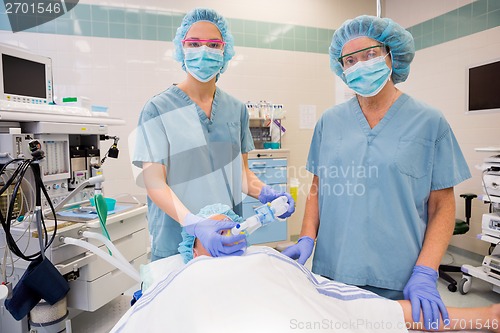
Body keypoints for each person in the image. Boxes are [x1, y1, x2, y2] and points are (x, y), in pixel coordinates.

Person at [281, 14, 471, 330]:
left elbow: (442, 206)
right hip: (334, 270)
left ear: (390, 55)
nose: (359, 65)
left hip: (400, 275)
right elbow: (318, 187)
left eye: (369, 55)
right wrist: (306, 237)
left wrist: (426, 270)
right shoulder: (330, 122)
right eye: (350, 60)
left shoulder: (429, 121)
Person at [112, 205, 500, 333]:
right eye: (216, 228)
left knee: (360, 311)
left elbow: (345, 303)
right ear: (194, 242)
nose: (229, 231)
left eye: (232, 225)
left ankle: (485, 317)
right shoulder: (184, 273)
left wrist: (482, 318)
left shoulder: (263, 258)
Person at [131, 8, 295, 262]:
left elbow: (240, 175)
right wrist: (194, 224)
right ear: (182, 49)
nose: (204, 51)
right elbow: (155, 183)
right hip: (176, 240)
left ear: (224, 51)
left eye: (213, 44)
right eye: (194, 43)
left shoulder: (235, 109)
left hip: (226, 234)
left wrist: (267, 193)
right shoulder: (157, 109)